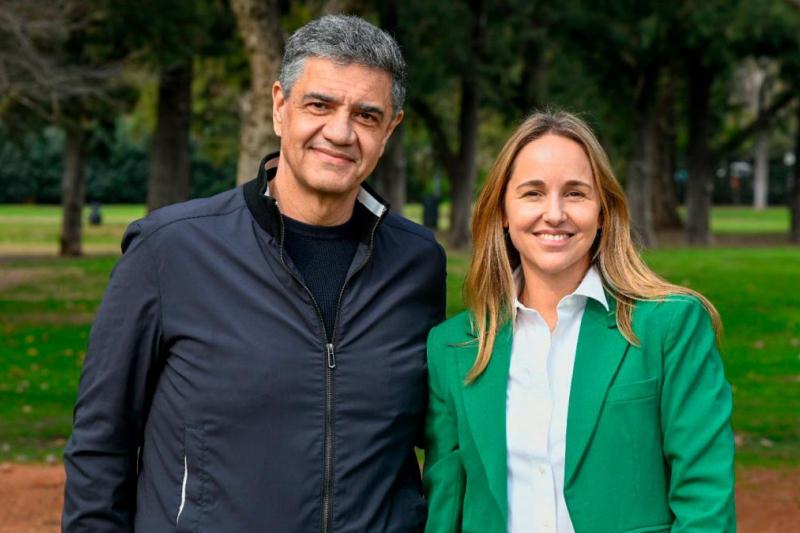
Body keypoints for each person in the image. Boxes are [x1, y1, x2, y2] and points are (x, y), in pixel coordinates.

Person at [63, 15, 445, 532]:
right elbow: (100, 445)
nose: (340, 132)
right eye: (319, 105)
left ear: (390, 129)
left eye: (366, 115)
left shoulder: (418, 263)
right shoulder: (169, 251)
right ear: (279, 106)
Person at [423, 111, 735, 533]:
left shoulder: (671, 326)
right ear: (503, 212)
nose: (554, 214)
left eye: (575, 193)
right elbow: (444, 510)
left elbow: (705, 505)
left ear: (603, 210)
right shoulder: (454, 347)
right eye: (533, 193)